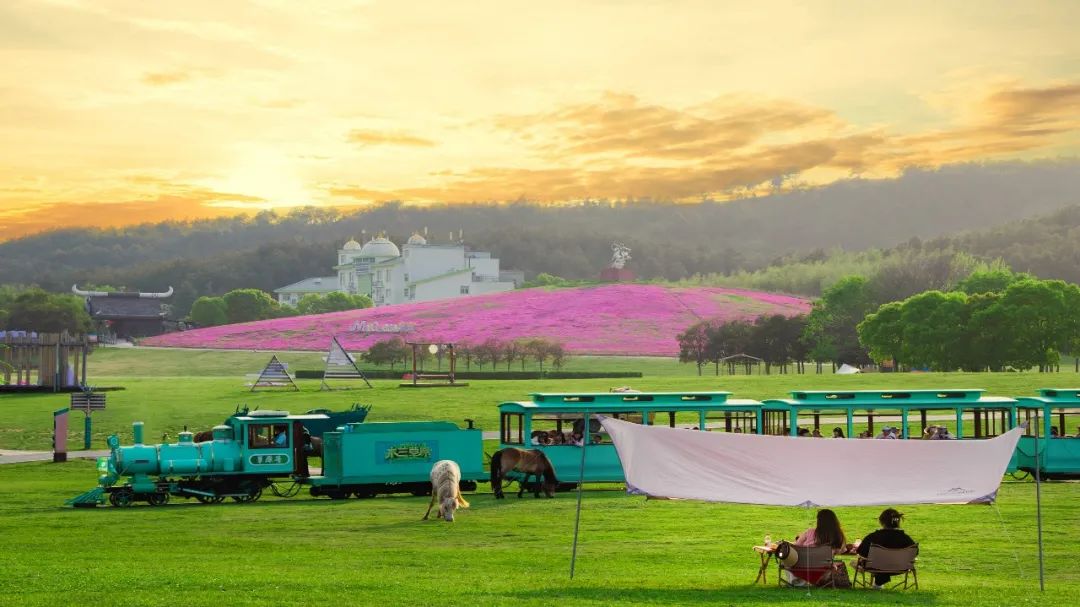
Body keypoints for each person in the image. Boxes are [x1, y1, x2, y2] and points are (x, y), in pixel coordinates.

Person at [856, 508, 916, 588]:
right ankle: (878, 583)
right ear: (898, 522)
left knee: (855, 562)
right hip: (900, 567)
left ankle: (878, 583)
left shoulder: (873, 537)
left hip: (875, 567)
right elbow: (914, 552)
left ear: (881, 521)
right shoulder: (905, 538)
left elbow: (861, 552)